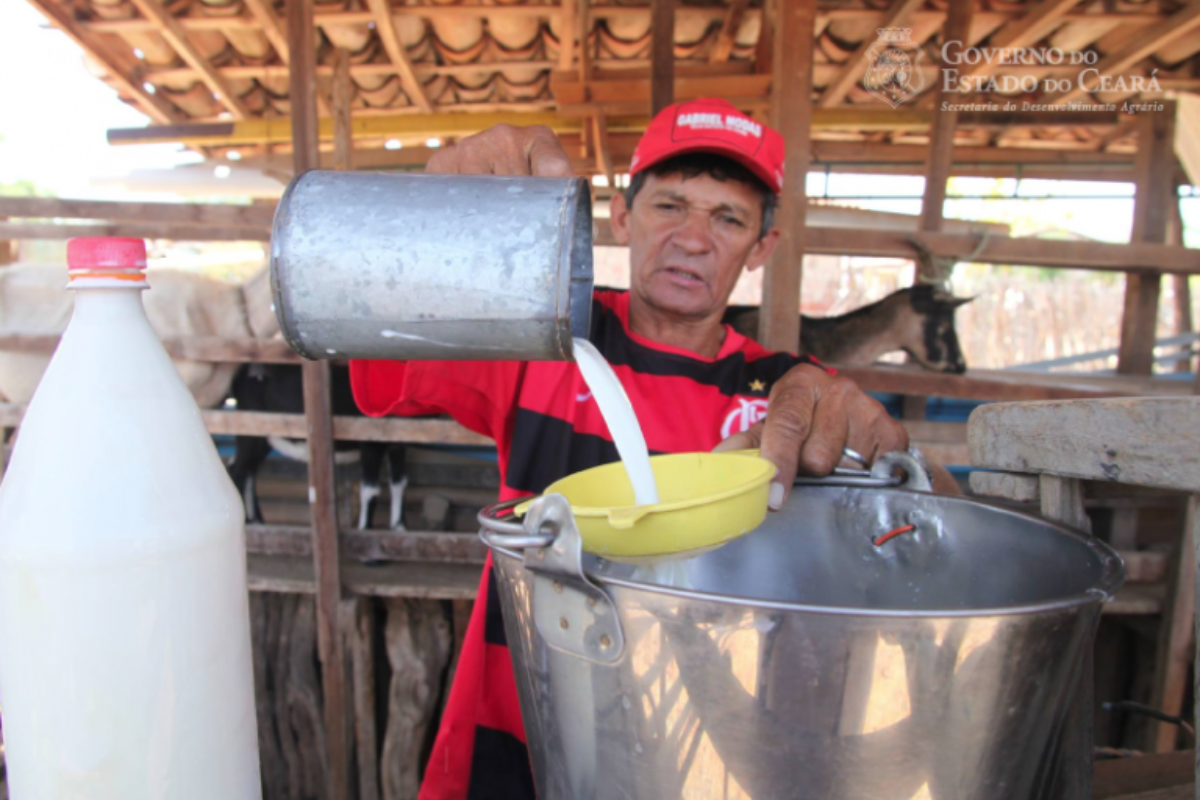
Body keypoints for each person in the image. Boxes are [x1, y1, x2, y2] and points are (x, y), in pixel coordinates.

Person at [351, 97, 946, 800]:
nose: (693, 238)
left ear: (761, 248)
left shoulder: (785, 395)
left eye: (727, 217)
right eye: (670, 205)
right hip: (516, 718)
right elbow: (379, 339)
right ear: (622, 218)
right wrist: (428, 221)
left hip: (696, 748)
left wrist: (899, 465)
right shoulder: (541, 335)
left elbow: (923, 520)